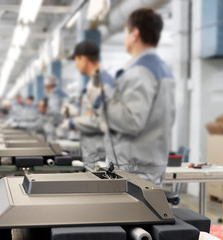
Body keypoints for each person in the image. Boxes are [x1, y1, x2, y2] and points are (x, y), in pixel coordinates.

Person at [101, 8, 175, 185]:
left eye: (126, 33)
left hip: (132, 171)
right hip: (149, 165)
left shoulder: (139, 72)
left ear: (134, 34)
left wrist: (102, 102)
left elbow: (131, 121)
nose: (125, 38)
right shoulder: (163, 70)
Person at [62, 40, 115, 169]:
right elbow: (93, 113)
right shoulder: (94, 82)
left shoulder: (102, 84)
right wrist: (76, 112)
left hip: (100, 154)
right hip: (93, 152)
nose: (76, 65)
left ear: (84, 59)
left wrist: (73, 123)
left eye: (76, 60)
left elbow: (103, 121)